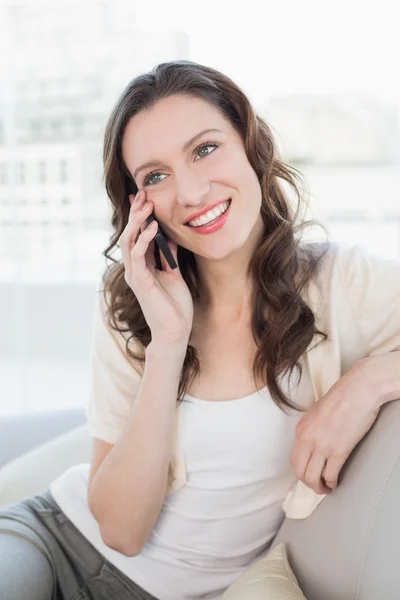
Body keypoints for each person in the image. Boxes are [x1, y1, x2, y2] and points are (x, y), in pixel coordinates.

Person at [1, 59, 400, 600]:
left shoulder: (341, 282)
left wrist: (371, 383)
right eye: (156, 176)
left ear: (250, 146)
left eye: (205, 148)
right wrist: (167, 344)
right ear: (139, 205)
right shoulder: (130, 304)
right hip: (54, 542)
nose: (190, 192)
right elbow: (121, 531)